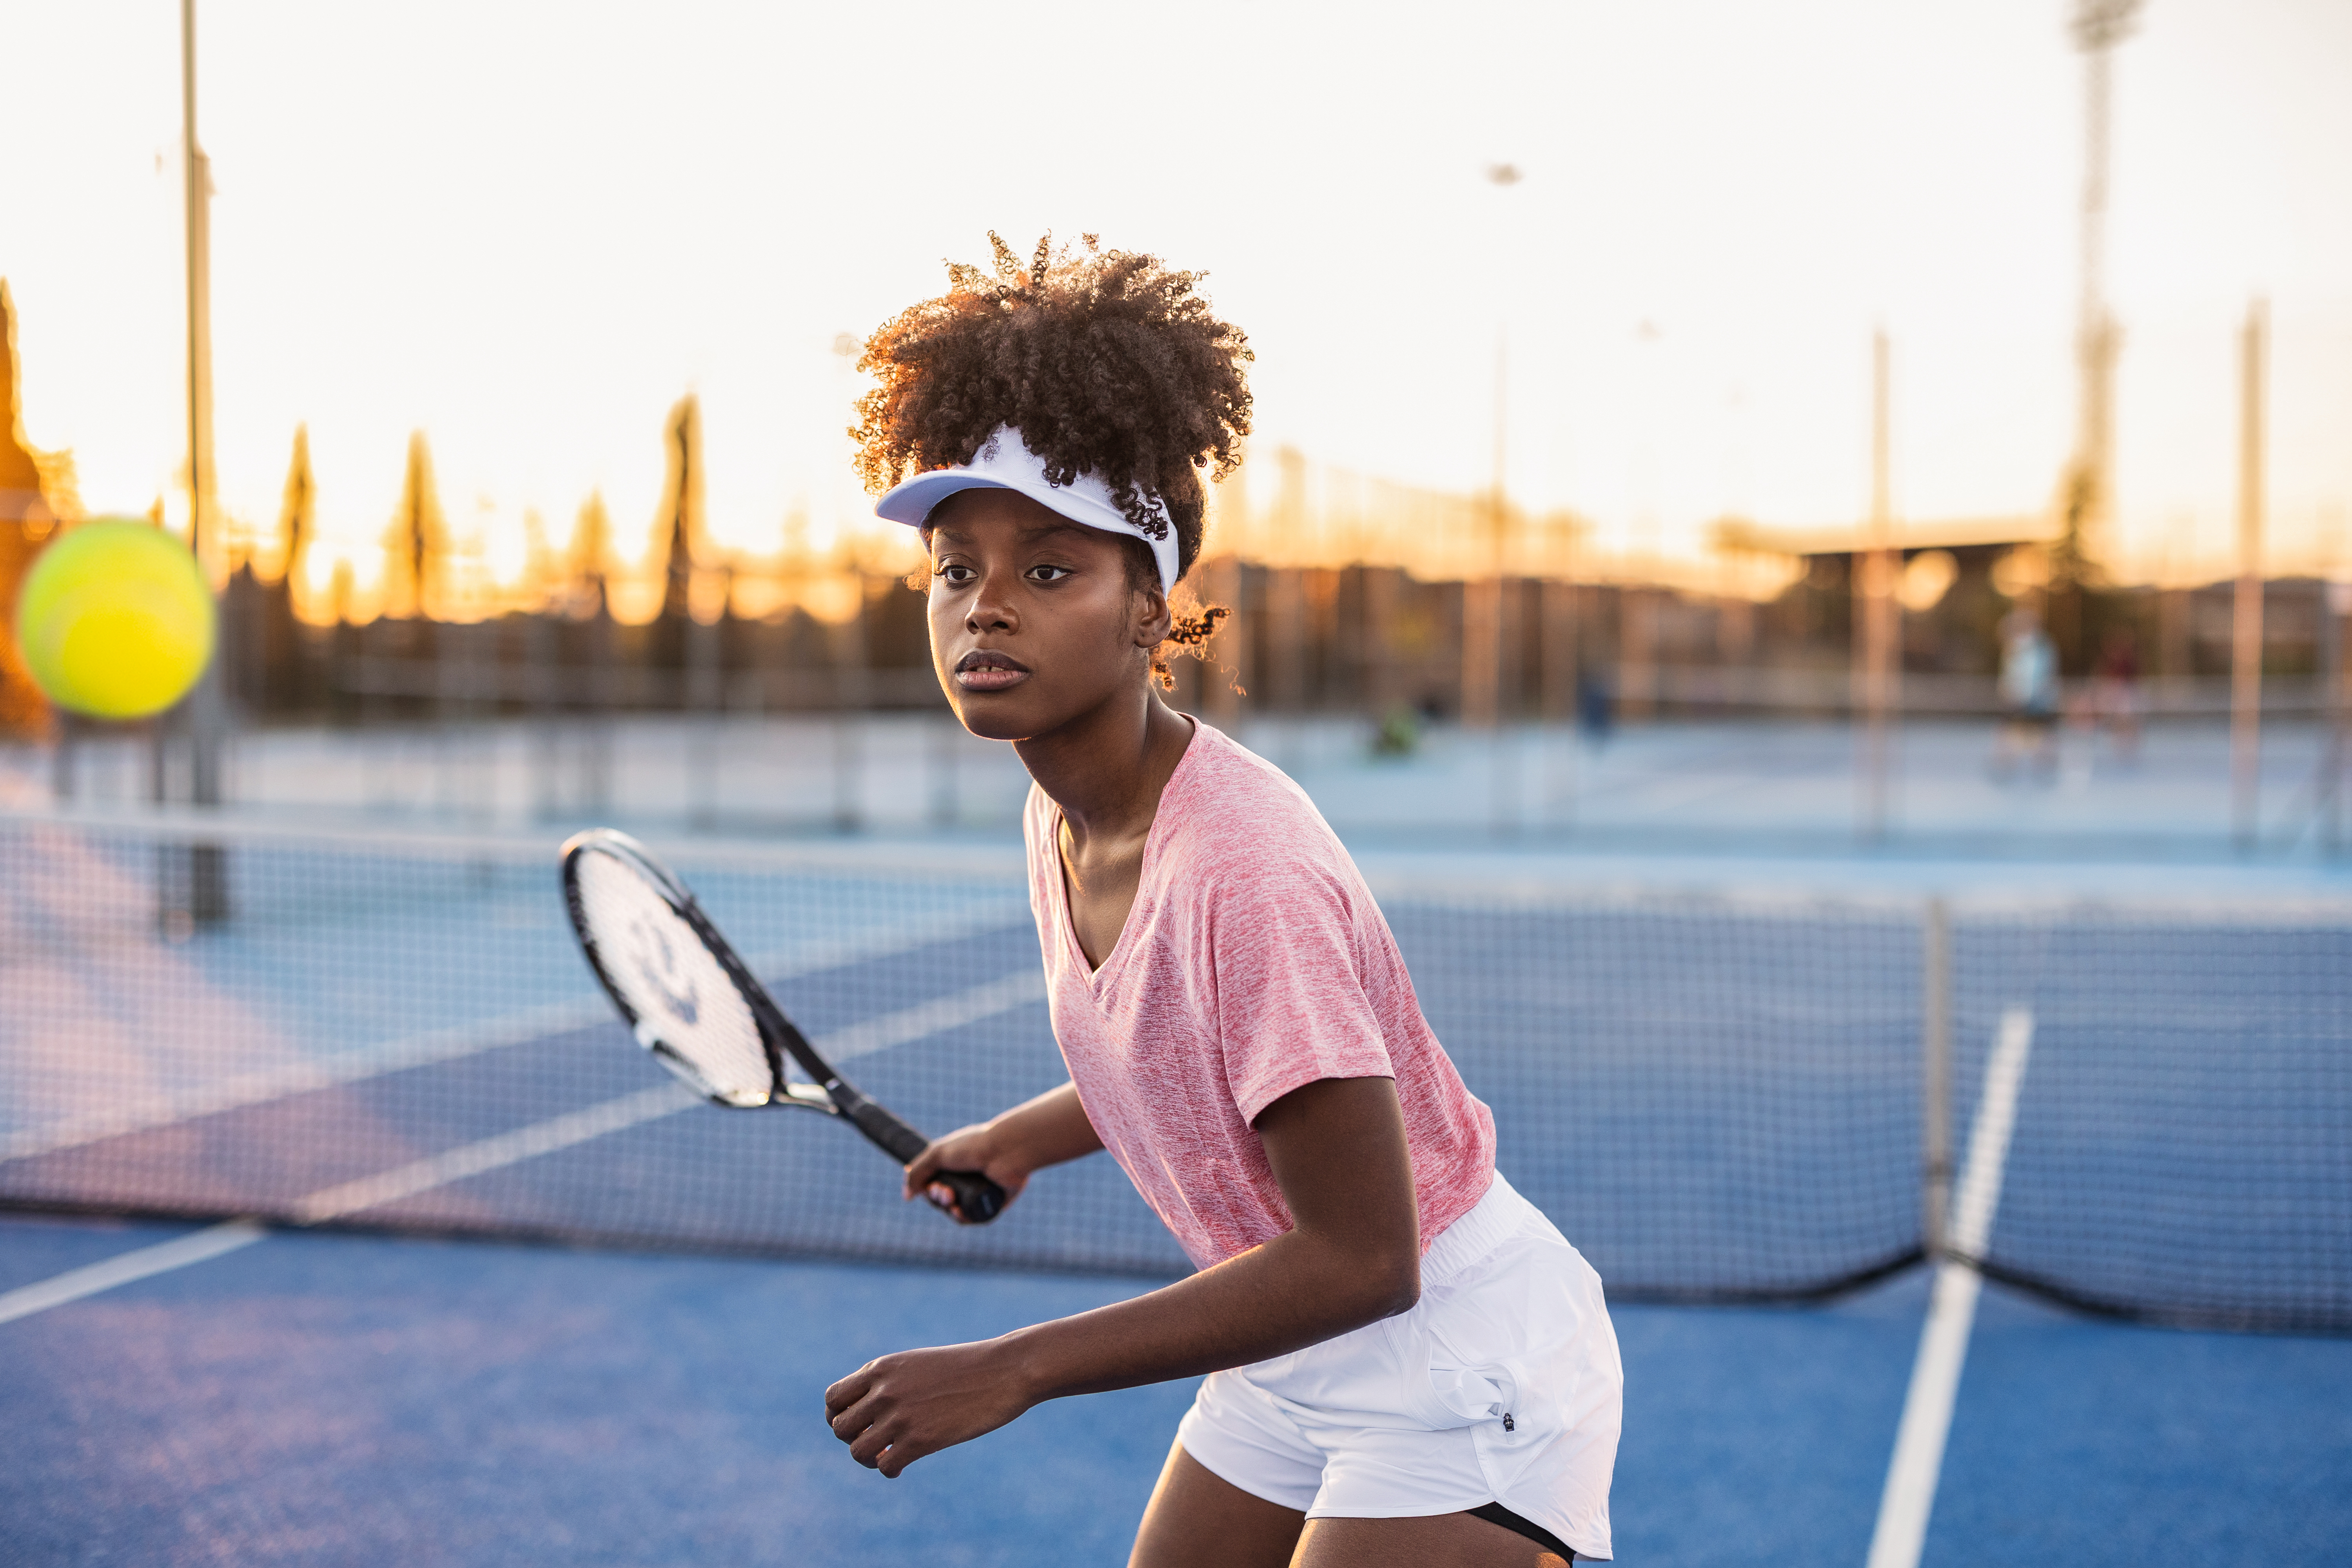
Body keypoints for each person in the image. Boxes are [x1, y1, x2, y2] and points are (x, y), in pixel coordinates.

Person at [821, 235, 1622, 1567]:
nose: (987, 609)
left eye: (1050, 569)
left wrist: (1015, 1367)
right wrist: (1022, 1136)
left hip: (1449, 1351)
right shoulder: (1061, 810)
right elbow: (1202, 1053)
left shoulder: (1239, 865)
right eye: (957, 570)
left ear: (1151, 608)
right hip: (1290, 1343)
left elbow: (1370, 1255)